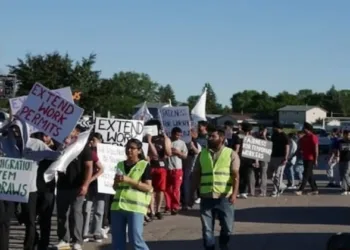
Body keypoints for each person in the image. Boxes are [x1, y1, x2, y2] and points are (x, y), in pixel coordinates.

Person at [0, 120, 60, 250]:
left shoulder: (36, 145)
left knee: (30, 222)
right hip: (10, 189)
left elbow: (56, 155)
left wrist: (61, 143)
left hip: (30, 189)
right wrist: (5, 126)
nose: (15, 132)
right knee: (4, 220)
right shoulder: (4, 142)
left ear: (25, 131)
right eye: (13, 129)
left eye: (18, 130)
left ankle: (28, 247)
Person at [191, 128, 240, 250]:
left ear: (221, 138)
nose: (209, 138)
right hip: (206, 196)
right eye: (209, 136)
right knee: (207, 229)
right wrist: (192, 194)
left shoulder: (231, 153)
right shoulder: (202, 154)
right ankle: (210, 247)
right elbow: (196, 175)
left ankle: (223, 244)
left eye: (213, 136)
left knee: (228, 228)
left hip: (225, 198)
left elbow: (235, 176)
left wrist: (234, 194)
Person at [56, 123, 93, 250]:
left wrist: (85, 185)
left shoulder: (83, 147)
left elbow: (89, 167)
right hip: (62, 185)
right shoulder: (61, 146)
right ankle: (63, 239)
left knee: (76, 213)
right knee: (62, 214)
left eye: (72, 130)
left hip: (77, 186)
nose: (69, 133)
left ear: (77, 133)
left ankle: (78, 241)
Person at [110, 138, 153, 250]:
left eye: (132, 148)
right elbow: (115, 188)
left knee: (135, 240)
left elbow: (148, 187)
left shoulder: (144, 165)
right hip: (117, 207)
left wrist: (129, 180)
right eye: (127, 147)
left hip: (135, 208)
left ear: (139, 151)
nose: (129, 150)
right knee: (117, 241)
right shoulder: (120, 164)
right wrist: (116, 182)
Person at [32, 132, 59, 250]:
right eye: (42, 135)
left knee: (45, 219)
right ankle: (34, 238)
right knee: (28, 218)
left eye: (47, 135)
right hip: (32, 187)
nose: (44, 138)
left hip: (48, 189)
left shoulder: (56, 148)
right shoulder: (33, 146)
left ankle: (43, 244)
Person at [144, 119, 171, 220]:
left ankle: (158, 209)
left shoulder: (163, 138)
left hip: (160, 167)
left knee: (160, 190)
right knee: (150, 189)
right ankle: (152, 210)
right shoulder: (144, 139)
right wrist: (148, 141)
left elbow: (168, 153)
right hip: (149, 166)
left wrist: (166, 140)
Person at [83, 132, 105, 242]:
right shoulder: (88, 152)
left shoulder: (105, 152)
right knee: (87, 208)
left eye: (95, 140)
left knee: (99, 209)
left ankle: (96, 232)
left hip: (102, 184)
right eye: (91, 140)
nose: (92, 142)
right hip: (90, 184)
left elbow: (102, 168)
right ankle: (85, 232)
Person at [164, 127, 188, 214]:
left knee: (176, 189)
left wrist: (178, 153)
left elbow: (185, 156)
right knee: (167, 189)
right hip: (167, 168)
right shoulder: (167, 141)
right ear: (172, 133)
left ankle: (175, 206)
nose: (178, 137)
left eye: (180, 135)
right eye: (177, 135)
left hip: (177, 169)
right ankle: (168, 206)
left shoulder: (181, 143)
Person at [295, 122, 319, 196]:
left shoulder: (313, 137)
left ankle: (300, 190)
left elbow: (316, 149)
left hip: (311, 158)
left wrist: (316, 159)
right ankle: (315, 189)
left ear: (308, 129)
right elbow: (299, 147)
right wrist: (294, 154)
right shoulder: (303, 137)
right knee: (309, 175)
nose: (303, 129)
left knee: (305, 174)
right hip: (304, 158)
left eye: (304, 128)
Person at [268, 121, 289, 197]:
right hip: (273, 156)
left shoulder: (284, 136)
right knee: (269, 174)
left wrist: (286, 157)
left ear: (277, 127)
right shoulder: (274, 135)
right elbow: (270, 144)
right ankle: (282, 186)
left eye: (274, 127)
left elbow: (287, 147)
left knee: (278, 175)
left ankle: (276, 191)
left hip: (281, 157)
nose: (273, 128)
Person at [182, 127, 201, 210]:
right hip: (186, 166)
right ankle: (186, 202)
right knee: (186, 186)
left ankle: (189, 202)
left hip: (192, 167)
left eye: (192, 132)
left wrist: (192, 146)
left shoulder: (195, 143)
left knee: (190, 186)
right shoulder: (185, 142)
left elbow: (197, 152)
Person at [333, 130, 350, 195]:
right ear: (344, 135)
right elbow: (336, 150)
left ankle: (345, 189)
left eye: (349, 135)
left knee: (346, 174)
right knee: (342, 174)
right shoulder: (339, 142)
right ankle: (347, 188)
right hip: (342, 160)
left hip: (349, 160)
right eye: (347, 135)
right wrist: (336, 156)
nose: (348, 136)